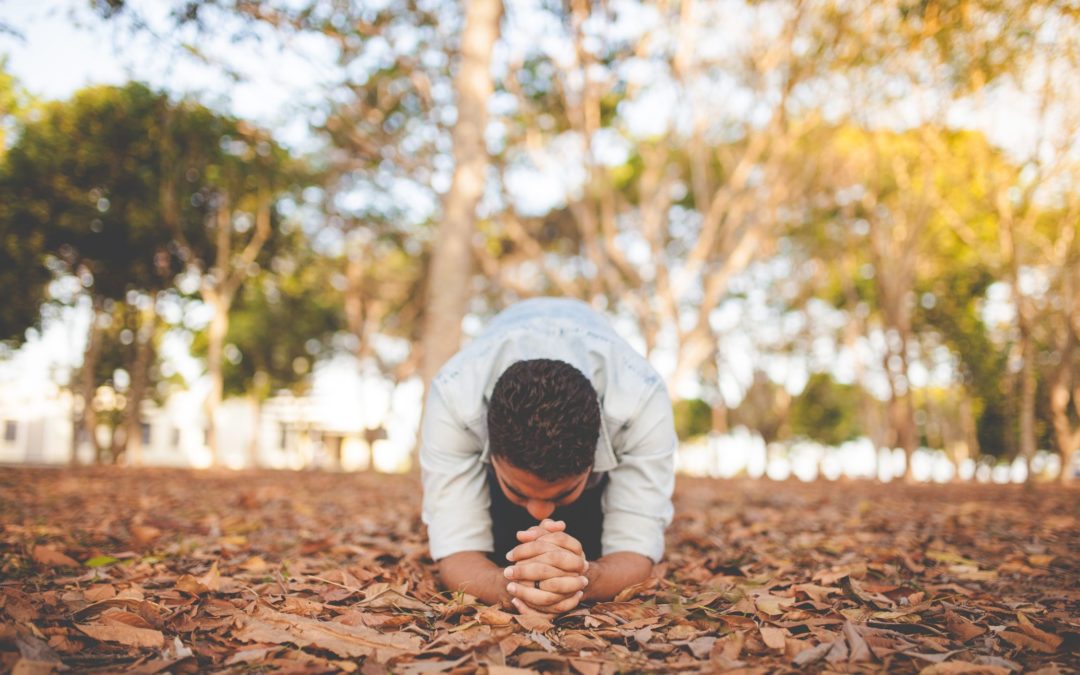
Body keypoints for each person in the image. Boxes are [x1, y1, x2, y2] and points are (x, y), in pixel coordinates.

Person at [420, 297, 676, 615]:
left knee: (589, 539)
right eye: (518, 489)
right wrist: (508, 585)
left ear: (593, 458)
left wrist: (585, 578)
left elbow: (636, 547)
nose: (540, 512)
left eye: (565, 490)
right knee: (504, 544)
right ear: (491, 451)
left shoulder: (641, 398)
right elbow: (456, 548)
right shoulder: (455, 395)